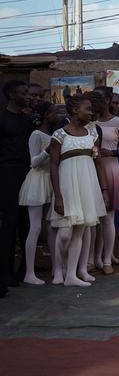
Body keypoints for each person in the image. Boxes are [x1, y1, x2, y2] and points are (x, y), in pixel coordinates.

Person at [49, 94, 108, 287]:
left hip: (86, 185)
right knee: (64, 233)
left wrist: (104, 190)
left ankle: (72, 275)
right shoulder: (59, 135)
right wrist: (58, 195)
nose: (91, 113)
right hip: (67, 187)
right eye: (88, 109)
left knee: (79, 232)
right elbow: (53, 165)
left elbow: (99, 164)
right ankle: (59, 268)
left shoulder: (92, 134)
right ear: (75, 110)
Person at [86, 90, 119, 275]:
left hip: (111, 168)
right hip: (91, 169)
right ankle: (91, 259)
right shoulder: (89, 123)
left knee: (108, 218)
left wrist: (111, 153)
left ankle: (107, 260)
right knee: (92, 219)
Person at [19, 102, 60, 284]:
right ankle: (29, 273)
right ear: (45, 115)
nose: (56, 115)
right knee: (35, 227)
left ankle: (57, 268)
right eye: (53, 112)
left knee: (52, 227)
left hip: (50, 180)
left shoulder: (51, 135)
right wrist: (47, 150)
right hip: (37, 181)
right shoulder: (36, 135)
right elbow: (34, 162)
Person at [0, 80, 34, 296]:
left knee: (27, 223)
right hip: (7, 173)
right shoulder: (1, 118)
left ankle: (25, 271)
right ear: (12, 95)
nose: (28, 96)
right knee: (9, 224)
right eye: (24, 93)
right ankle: (5, 273)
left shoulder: (28, 120)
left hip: (27, 173)